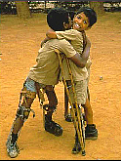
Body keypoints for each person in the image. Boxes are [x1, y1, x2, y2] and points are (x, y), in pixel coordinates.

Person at [6, 7, 91, 158]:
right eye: (71, 21)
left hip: (46, 80)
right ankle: (11, 140)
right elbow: (80, 62)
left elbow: (44, 43)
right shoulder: (63, 43)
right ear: (65, 25)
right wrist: (88, 46)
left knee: (52, 102)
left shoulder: (55, 38)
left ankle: (48, 122)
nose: (73, 22)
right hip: (35, 79)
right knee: (24, 110)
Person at [46, 7, 98, 154]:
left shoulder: (74, 33)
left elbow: (50, 34)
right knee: (83, 100)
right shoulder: (81, 34)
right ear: (74, 16)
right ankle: (91, 127)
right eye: (79, 17)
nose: (79, 22)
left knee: (77, 105)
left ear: (88, 26)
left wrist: (49, 37)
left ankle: (79, 137)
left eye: (85, 21)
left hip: (77, 75)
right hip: (79, 74)